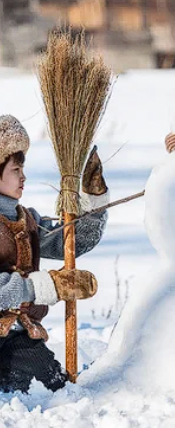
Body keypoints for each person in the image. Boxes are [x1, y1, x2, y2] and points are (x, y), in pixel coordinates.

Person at [0, 115, 109, 393]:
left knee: (51, 388)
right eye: (15, 170)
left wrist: (92, 201)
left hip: (17, 336)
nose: (23, 177)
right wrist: (44, 286)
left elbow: (69, 242)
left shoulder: (26, 220)